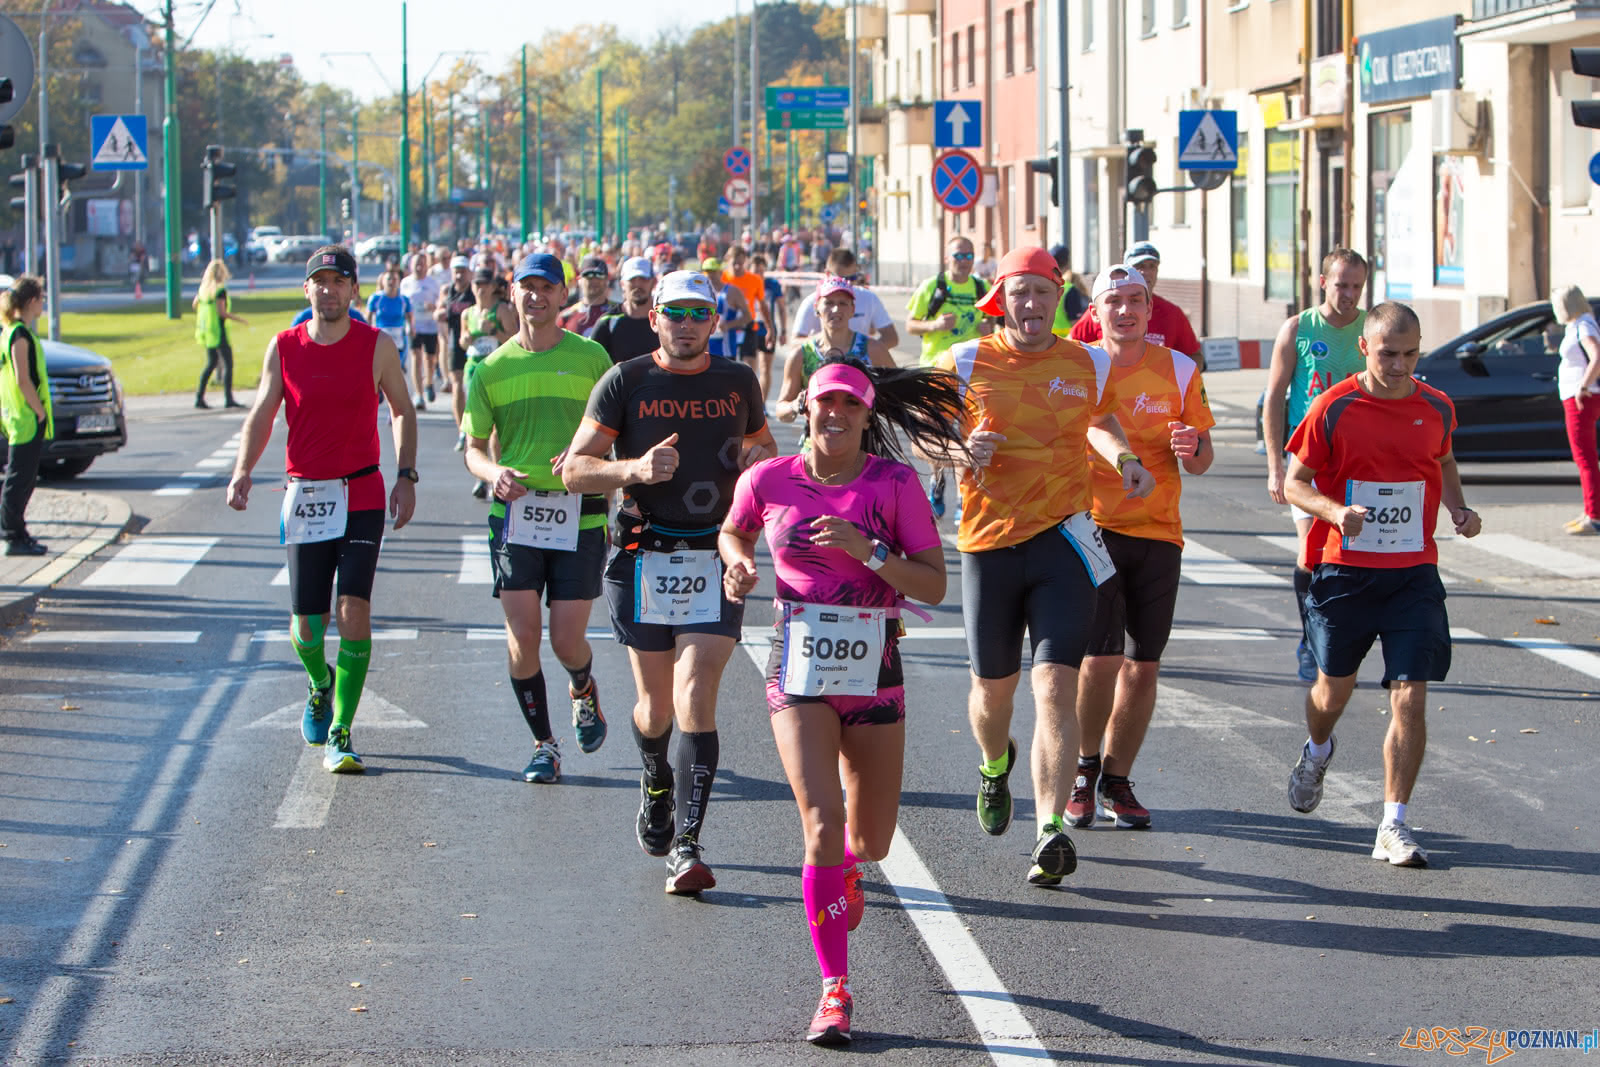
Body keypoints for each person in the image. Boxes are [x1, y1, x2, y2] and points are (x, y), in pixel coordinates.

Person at [720, 359, 966, 1045]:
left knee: (871, 839)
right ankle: (834, 990)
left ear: (866, 415)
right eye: (824, 402)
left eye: (848, 406)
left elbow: (935, 583)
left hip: (876, 666)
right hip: (796, 665)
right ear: (804, 406)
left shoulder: (893, 483)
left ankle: (849, 872)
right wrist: (735, 563)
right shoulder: (768, 478)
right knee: (822, 824)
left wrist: (872, 551)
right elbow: (733, 529)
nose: (835, 415)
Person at [936, 246, 1154, 887]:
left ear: (1058, 297)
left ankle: (1050, 830)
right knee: (991, 693)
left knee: (1056, 686)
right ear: (999, 299)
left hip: (1064, 541)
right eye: (1019, 293)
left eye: (1042, 292)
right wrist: (958, 450)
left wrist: (1123, 458)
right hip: (989, 543)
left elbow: (1102, 419)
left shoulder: (1086, 360)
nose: (1030, 304)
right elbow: (929, 438)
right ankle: (992, 764)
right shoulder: (966, 360)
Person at [562, 270, 777, 895]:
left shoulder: (738, 380)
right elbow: (575, 470)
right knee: (655, 708)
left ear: (715, 321)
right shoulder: (626, 380)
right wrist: (634, 467)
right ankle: (655, 775)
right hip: (642, 552)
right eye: (674, 313)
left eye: (698, 314)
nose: (686, 324)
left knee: (695, 695)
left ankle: (687, 844)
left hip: (713, 552)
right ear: (654, 317)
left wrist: (756, 462)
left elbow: (764, 448)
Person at [1283, 302, 1481, 868]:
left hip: (1413, 573)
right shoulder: (1335, 406)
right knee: (1331, 694)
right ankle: (1318, 749)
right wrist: (1334, 509)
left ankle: (1393, 823)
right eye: (1388, 353)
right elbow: (1295, 483)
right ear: (1365, 347)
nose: (1399, 365)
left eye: (1410, 353)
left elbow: (1443, 461)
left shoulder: (1437, 406)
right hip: (1344, 569)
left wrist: (1461, 511)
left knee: (1411, 696)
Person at [226, 247, 418, 774]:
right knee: (307, 628)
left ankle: (341, 728)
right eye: (320, 281)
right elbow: (263, 413)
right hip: (307, 494)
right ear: (306, 290)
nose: (329, 289)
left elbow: (402, 410)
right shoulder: (284, 347)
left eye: (339, 281)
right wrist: (243, 470)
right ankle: (320, 682)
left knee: (352, 610)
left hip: (361, 493)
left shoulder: (376, 345)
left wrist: (406, 475)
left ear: (355, 289)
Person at [1069, 265, 1214, 830]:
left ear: (1152, 313)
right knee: (1099, 658)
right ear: (1097, 313)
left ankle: (1117, 779)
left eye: (1136, 301)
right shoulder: (1081, 366)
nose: (1125, 311)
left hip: (1159, 533)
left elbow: (1202, 463)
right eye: (1114, 302)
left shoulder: (1179, 369)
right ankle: (1082, 771)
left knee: (1143, 666)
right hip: (1094, 526)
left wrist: (1190, 446)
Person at [462, 253, 615, 783]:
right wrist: (492, 472)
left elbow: (615, 438)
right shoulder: (491, 368)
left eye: (546, 287)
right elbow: (474, 448)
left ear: (562, 294)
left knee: (565, 641)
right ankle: (544, 745)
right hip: (516, 514)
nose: (536, 296)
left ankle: (582, 685)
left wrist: (593, 468)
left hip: (581, 514)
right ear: (512, 293)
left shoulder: (593, 359)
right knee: (523, 637)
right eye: (526, 287)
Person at [1262, 249, 1369, 681]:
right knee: (1311, 555)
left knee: (1351, 555)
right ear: (1323, 282)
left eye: (1357, 286)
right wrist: (1274, 465)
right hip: (1307, 459)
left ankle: (1337, 636)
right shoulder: (1298, 329)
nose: (1349, 294)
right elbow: (1274, 399)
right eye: (1341, 285)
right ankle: (1311, 640)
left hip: (1358, 459)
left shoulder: (1370, 328)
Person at [907, 236, 990, 519]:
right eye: (959, 256)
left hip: (972, 372)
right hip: (935, 370)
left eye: (969, 256)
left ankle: (961, 502)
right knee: (938, 433)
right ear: (947, 257)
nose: (964, 262)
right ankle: (937, 480)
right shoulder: (933, 287)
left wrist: (987, 327)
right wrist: (935, 324)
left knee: (967, 433)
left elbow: (992, 325)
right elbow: (910, 325)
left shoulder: (981, 287)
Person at [775, 276, 896, 424]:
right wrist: (795, 405)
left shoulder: (873, 349)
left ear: (853, 309)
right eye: (829, 303)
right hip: (815, 444)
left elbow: (899, 395)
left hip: (863, 443)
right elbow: (781, 410)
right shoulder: (801, 355)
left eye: (843, 303)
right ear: (817, 308)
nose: (836, 309)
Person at [1067, 243, 1200, 359]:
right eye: (1139, 266)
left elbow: (1195, 356)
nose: (1146, 272)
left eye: (1152, 266)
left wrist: (1167, 367)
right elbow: (1069, 348)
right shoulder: (1105, 310)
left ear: (1149, 309)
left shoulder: (1172, 313)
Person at [1, 275, 51, 556]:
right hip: (25, 418)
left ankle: (18, 531)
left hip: (17, 417)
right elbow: (23, 379)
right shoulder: (20, 335)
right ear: (32, 301)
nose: (43, 303)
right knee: (19, 479)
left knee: (24, 478)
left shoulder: (10, 330)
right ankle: (11, 534)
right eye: (42, 298)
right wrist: (40, 411)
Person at [460, 268, 518, 497]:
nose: (480, 288)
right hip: (474, 370)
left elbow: (513, 339)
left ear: (493, 286)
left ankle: (497, 474)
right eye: (476, 284)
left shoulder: (501, 309)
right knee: (474, 430)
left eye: (484, 284)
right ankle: (480, 480)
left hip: (497, 370)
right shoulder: (468, 313)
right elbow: (463, 342)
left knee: (495, 430)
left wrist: (492, 330)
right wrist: (473, 335)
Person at [1552, 285, 1600, 534]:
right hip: (1576, 396)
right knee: (1585, 458)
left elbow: (1597, 355)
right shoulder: (1579, 324)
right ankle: (1590, 511)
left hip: (1581, 398)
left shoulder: (1584, 325)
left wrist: (1583, 385)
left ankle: (1594, 517)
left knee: (1585, 458)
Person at [790, 248, 900, 351]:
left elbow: (891, 338)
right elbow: (794, 343)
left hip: (858, 369)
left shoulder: (869, 298)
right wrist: (822, 345)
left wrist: (860, 354)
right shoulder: (812, 301)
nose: (847, 283)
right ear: (827, 274)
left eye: (852, 278)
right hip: (823, 366)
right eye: (841, 279)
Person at [193, 259, 249, 409]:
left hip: (207, 331)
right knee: (228, 365)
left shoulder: (203, 290)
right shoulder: (219, 291)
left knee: (211, 363)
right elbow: (222, 312)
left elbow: (195, 304)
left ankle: (199, 397)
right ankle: (228, 398)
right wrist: (239, 319)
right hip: (219, 331)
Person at [437, 255, 477, 444]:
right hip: (455, 341)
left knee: (474, 387)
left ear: (469, 273)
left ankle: (476, 426)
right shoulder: (447, 291)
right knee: (457, 386)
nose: (459, 275)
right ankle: (461, 429)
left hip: (475, 344)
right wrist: (441, 312)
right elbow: (437, 312)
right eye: (456, 271)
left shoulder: (475, 292)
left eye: (462, 271)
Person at [590, 257, 659, 364]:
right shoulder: (608, 322)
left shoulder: (664, 320)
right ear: (622, 284)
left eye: (643, 279)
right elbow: (592, 363)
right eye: (632, 280)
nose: (637, 285)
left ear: (654, 282)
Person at [725, 246, 773, 396]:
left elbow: (763, 305)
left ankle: (747, 399)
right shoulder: (723, 278)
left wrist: (770, 328)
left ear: (745, 261)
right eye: (734, 263)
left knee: (748, 367)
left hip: (748, 325)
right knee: (727, 367)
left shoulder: (754, 279)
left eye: (741, 263)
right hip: (729, 327)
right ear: (728, 262)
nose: (738, 267)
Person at [401, 250, 442, 410]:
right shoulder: (405, 283)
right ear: (411, 266)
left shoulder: (433, 283)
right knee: (416, 358)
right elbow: (402, 303)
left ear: (427, 266)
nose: (419, 267)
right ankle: (418, 394)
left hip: (430, 325)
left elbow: (440, 302)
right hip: (413, 326)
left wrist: (433, 307)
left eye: (422, 264)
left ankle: (429, 382)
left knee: (429, 359)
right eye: (416, 264)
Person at [700, 257, 753, 360]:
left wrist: (728, 325)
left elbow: (748, 316)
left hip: (726, 348)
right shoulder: (701, 293)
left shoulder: (732, 291)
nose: (710, 275)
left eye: (713, 272)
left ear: (720, 272)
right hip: (705, 348)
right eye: (707, 272)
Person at [366, 268, 413, 375]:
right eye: (389, 279)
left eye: (395, 279)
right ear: (383, 281)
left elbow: (410, 316)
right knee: (382, 369)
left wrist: (411, 328)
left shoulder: (404, 299)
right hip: (381, 337)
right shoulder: (376, 298)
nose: (392, 282)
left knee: (395, 370)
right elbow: (368, 318)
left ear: (399, 281)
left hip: (399, 340)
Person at [557, 255, 620, 336]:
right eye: (588, 275)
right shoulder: (566, 316)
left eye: (599, 275)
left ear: (607, 281)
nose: (594, 280)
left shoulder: (618, 313)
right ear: (579, 280)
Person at [1047, 243, 1091, 337]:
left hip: (1043, 343)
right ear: (1067, 264)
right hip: (1065, 344)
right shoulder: (1069, 289)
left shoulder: (1042, 286)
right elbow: (1076, 325)